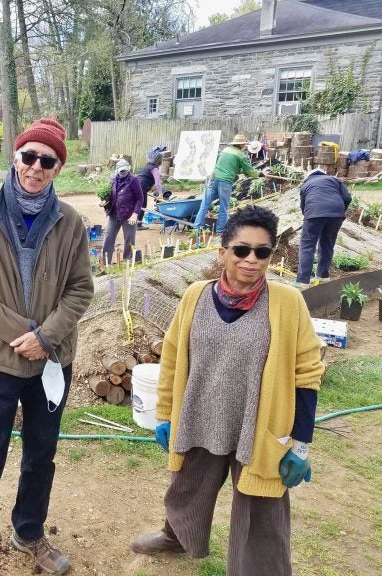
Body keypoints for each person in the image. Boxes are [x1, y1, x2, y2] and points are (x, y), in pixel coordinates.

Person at [130, 205, 324, 576]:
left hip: (258, 426)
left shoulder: (287, 303)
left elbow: (307, 373)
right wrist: (166, 414)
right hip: (200, 417)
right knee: (187, 487)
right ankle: (177, 537)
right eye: (241, 250)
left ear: (271, 255)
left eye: (262, 252)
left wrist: (300, 445)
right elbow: (172, 358)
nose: (251, 260)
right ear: (223, 253)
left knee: (262, 511)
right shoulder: (195, 297)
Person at [0, 118, 93, 576]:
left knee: (41, 454)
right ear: (15, 156)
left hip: (51, 360)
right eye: (29, 156)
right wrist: (22, 333)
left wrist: (45, 337)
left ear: (57, 169)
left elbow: (80, 289)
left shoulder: (71, 223)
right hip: (0, 359)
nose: (36, 167)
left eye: (47, 161)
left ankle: (28, 532)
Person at [193, 134, 259, 235]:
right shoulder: (241, 155)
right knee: (223, 207)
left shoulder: (225, 150)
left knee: (205, 204)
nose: (245, 146)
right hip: (225, 182)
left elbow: (221, 164)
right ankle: (220, 231)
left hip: (213, 179)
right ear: (241, 144)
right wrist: (260, 173)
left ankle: (197, 228)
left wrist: (237, 169)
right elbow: (250, 172)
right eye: (244, 144)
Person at [295, 168, 351, 287]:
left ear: (309, 176)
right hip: (337, 215)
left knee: (307, 246)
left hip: (314, 213)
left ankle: (302, 281)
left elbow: (303, 205)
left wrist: (309, 217)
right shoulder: (335, 180)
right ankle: (323, 276)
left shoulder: (306, 184)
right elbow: (347, 198)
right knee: (327, 244)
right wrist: (340, 211)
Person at [102, 159, 143, 265]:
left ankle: (127, 263)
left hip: (129, 215)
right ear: (117, 170)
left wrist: (135, 214)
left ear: (128, 169)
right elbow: (111, 195)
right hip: (114, 214)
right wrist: (105, 201)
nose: (123, 173)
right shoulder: (113, 179)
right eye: (121, 171)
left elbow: (140, 198)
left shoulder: (134, 180)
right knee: (108, 238)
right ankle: (105, 263)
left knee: (129, 240)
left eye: (125, 171)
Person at [135, 146, 166, 229]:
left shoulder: (148, 165)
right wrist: (160, 194)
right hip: (141, 186)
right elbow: (158, 183)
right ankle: (138, 225)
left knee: (138, 203)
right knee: (142, 205)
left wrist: (160, 175)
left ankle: (135, 223)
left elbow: (145, 175)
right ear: (159, 161)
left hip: (136, 185)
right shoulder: (155, 168)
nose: (162, 162)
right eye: (162, 160)